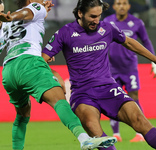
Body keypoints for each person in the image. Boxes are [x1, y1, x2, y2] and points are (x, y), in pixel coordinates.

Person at [42, 0, 156, 150]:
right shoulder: (64, 32)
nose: (96, 21)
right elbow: (41, 60)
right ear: (80, 13)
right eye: (92, 16)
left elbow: (129, 42)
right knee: (98, 135)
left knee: (139, 119)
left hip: (109, 88)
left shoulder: (106, 28)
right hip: (82, 94)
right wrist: (55, 74)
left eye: (99, 16)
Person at [0, 0, 117, 150]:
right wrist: (13, 16)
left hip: (8, 71)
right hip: (29, 63)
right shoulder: (35, 7)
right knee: (59, 100)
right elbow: (26, 13)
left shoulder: (7, 27)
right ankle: (84, 139)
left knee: (23, 114)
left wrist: (8, 21)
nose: (45, 1)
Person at [103, 0, 156, 143]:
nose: (121, 6)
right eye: (118, 3)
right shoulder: (107, 21)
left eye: (124, 3)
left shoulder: (137, 23)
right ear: (114, 6)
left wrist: (153, 61)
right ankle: (116, 134)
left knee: (134, 98)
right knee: (112, 99)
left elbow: (146, 41)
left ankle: (140, 133)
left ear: (129, 6)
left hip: (130, 68)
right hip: (111, 69)